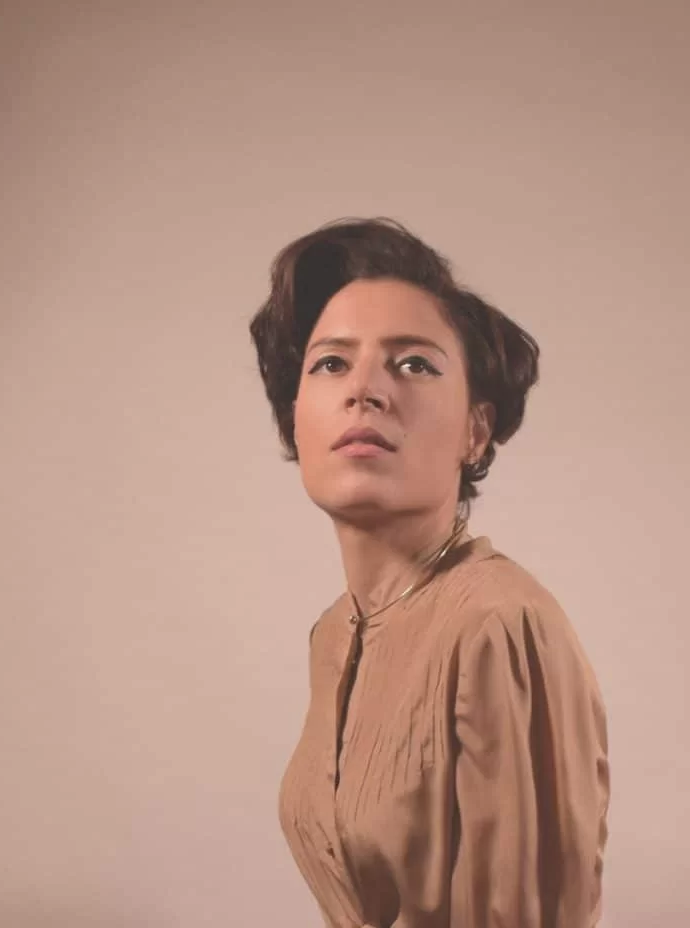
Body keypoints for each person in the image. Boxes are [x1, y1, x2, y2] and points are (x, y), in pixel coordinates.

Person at [249, 218, 610, 927]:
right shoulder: (335, 633)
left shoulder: (500, 626)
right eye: (331, 364)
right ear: (295, 420)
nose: (365, 390)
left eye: (413, 364)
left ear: (476, 429)